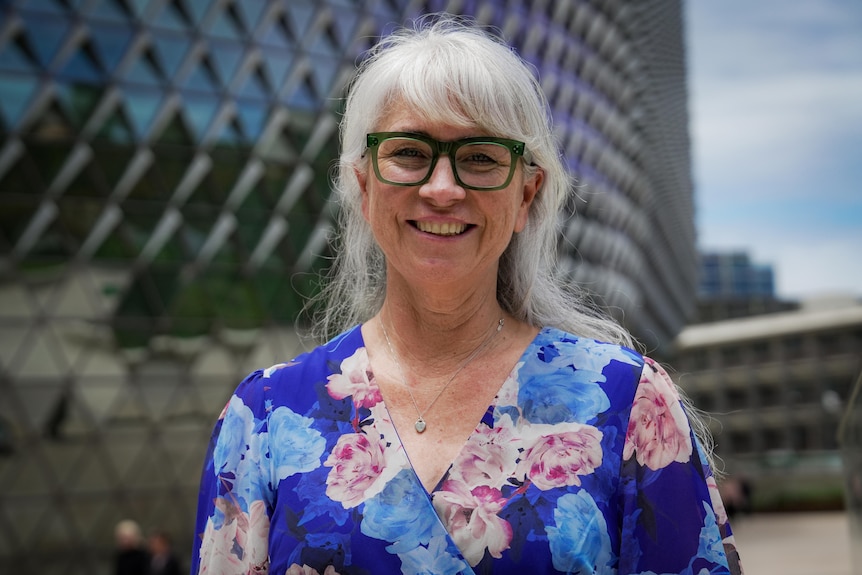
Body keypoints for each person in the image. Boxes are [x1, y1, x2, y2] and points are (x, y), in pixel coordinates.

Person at [192, 15, 743, 575]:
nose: (442, 189)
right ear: (363, 186)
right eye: (408, 152)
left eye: (480, 157)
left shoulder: (629, 404)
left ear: (527, 194)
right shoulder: (264, 417)